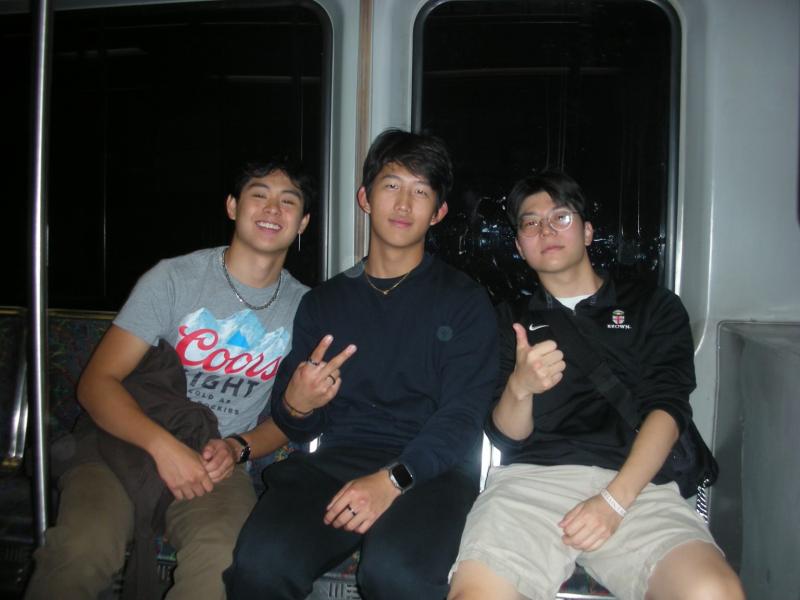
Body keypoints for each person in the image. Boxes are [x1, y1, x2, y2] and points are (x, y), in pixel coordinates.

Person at [224, 129, 499, 600]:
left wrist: (394, 479)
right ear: (365, 197)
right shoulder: (324, 303)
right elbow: (298, 424)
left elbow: (463, 417)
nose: (404, 203)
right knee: (261, 563)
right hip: (339, 463)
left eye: (421, 192)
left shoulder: (465, 302)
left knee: (398, 574)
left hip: (434, 469)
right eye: (392, 185)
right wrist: (298, 403)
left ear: (439, 212)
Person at [448, 170, 745, 600]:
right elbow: (507, 434)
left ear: (588, 232)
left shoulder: (652, 306)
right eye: (530, 223)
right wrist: (521, 386)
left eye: (561, 217)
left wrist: (613, 502)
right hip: (531, 484)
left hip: (638, 484)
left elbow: (670, 408)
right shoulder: (506, 319)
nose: (545, 230)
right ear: (518, 245)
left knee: (713, 592)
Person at [25, 159, 314, 600]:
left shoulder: (305, 309)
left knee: (223, 558)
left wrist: (239, 448)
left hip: (215, 462)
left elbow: (288, 416)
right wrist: (164, 447)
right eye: (259, 194)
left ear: (303, 223)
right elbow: (98, 382)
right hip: (123, 445)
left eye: (288, 201)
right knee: (81, 550)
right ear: (233, 206)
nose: (272, 208)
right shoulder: (174, 279)